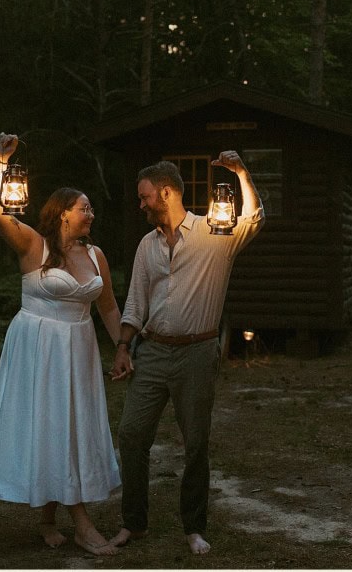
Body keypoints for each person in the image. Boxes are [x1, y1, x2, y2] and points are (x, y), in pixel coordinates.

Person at [108, 153, 264, 555]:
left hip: (197, 353)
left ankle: (193, 527)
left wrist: (241, 173)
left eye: (144, 198)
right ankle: (134, 524)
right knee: (130, 434)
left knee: (195, 442)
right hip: (153, 350)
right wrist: (124, 347)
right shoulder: (147, 245)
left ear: (165, 193)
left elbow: (256, 218)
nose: (139, 205)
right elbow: (135, 303)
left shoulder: (216, 231)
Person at [0, 132, 122, 556]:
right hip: (38, 348)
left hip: (77, 350)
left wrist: (123, 348)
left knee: (72, 427)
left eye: (91, 208)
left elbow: (109, 309)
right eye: (84, 208)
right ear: (62, 214)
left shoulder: (97, 256)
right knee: (47, 424)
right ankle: (80, 524)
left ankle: (49, 518)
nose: (91, 214)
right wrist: (1, 163)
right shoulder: (33, 245)